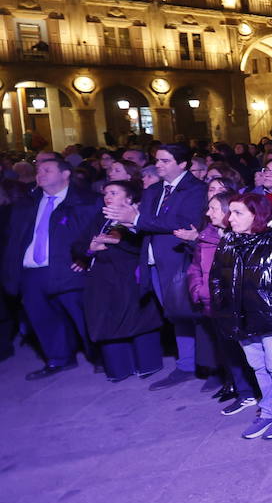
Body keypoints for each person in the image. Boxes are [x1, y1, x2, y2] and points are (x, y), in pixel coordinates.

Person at [102, 144, 210, 390]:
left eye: (164, 161)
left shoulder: (196, 189)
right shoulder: (153, 190)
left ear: (182, 164)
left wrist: (136, 219)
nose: (158, 165)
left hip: (181, 259)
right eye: (157, 160)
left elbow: (181, 222)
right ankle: (186, 364)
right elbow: (145, 225)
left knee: (196, 315)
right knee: (175, 315)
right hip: (154, 260)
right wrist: (127, 221)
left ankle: (211, 366)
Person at [209, 192, 272, 440]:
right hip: (242, 318)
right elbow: (216, 278)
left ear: (257, 214)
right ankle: (269, 410)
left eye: (238, 212)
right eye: (230, 212)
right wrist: (224, 304)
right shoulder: (229, 240)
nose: (230, 217)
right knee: (259, 366)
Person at [2, 156, 101, 379]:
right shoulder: (27, 203)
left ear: (65, 174)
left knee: (81, 315)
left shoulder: (86, 201)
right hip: (32, 271)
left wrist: (86, 257)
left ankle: (98, 357)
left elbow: (96, 233)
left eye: (47, 170)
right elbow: (14, 239)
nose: (41, 174)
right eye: (39, 170)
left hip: (68, 267)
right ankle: (59, 358)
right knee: (42, 317)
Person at [79, 179, 163, 381]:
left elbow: (143, 245)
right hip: (101, 279)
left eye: (114, 193)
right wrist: (90, 248)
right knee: (106, 322)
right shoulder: (100, 217)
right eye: (106, 193)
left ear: (129, 197)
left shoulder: (139, 216)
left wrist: (115, 240)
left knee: (139, 320)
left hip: (128, 276)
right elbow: (78, 241)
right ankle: (119, 368)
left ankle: (148, 363)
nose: (108, 197)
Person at [187, 191, 259, 414]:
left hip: (239, 307)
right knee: (228, 351)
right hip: (213, 305)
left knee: (250, 352)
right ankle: (244, 393)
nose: (208, 214)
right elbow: (194, 268)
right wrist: (198, 290)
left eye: (214, 209)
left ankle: (261, 393)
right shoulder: (206, 236)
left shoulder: (242, 235)